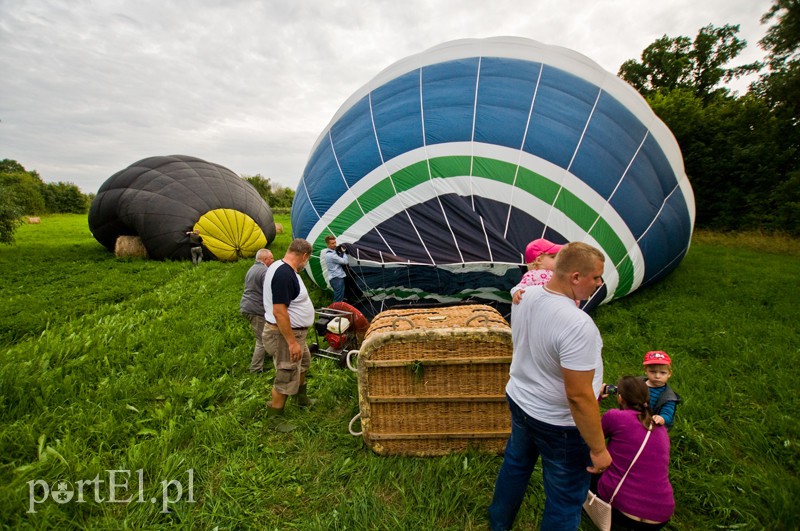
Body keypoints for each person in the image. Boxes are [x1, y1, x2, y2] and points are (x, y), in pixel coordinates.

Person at [488, 242, 611, 531]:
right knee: (565, 498)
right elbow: (579, 397)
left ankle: (498, 524)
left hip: (521, 401)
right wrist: (598, 448)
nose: (599, 284)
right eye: (595, 277)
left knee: (516, 466)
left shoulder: (525, 296)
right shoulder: (578, 325)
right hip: (560, 425)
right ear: (576, 277)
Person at [595, 376, 674, 529]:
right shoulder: (661, 429)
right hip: (661, 516)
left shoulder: (615, 417)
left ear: (620, 398)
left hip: (622, 511)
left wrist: (597, 399)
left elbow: (590, 435)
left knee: (586, 465)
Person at [262, 238, 316, 421]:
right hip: (285, 336)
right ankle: (275, 417)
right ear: (304, 256)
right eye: (307, 260)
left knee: (303, 364)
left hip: (296, 333)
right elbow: (279, 311)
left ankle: (301, 399)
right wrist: (292, 343)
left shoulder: (280, 266)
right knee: (286, 372)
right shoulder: (284, 275)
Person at [239, 248, 274, 373]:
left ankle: (272, 354)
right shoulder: (265, 271)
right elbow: (269, 291)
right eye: (272, 258)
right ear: (265, 259)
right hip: (255, 309)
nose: (273, 260)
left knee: (267, 335)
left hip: (247, 306)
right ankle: (256, 369)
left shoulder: (252, 268)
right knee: (262, 340)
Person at [511, 238, 563, 304]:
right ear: (538, 260)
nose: (558, 260)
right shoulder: (532, 274)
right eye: (553, 257)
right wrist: (516, 292)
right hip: (540, 305)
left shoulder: (557, 275)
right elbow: (520, 286)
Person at [642, 351, 681, 429]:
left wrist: (662, 418)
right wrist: (612, 389)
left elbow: (668, 414)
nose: (657, 376)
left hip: (651, 422)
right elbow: (624, 388)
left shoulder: (668, 397)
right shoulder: (639, 382)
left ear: (669, 374)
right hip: (633, 414)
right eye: (653, 372)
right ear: (646, 370)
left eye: (662, 373)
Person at [323, 235, 349, 302]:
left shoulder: (329, 253)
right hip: (337, 278)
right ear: (328, 244)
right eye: (332, 243)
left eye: (335, 242)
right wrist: (344, 252)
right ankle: (334, 312)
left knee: (341, 297)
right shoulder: (331, 255)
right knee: (338, 299)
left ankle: (340, 310)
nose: (335, 245)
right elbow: (345, 262)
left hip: (335, 278)